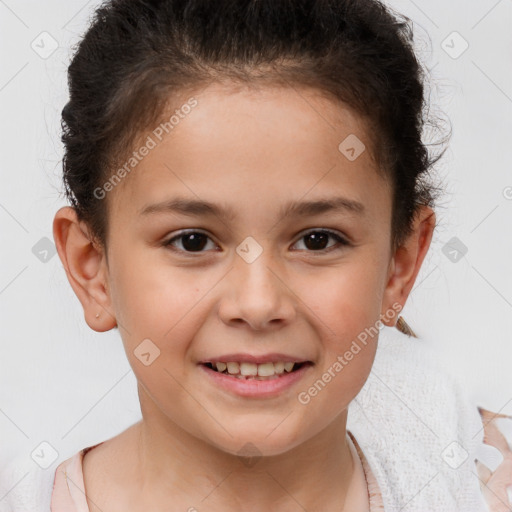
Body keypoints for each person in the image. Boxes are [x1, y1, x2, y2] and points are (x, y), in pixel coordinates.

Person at [1, 0, 511, 511]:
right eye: (192, 241)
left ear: (399, 267)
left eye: (317, 240)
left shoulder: (478, 483)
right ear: (93, 269)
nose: (258, 302)